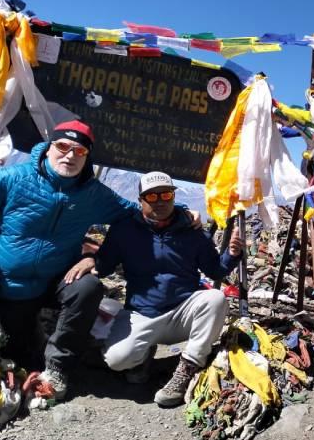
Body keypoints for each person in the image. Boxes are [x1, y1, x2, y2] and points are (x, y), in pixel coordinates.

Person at [0, 121, 139, 400]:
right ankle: (37, 349)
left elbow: (135, 215)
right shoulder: (13, 177)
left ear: (87, 157)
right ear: (49, 147)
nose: (70, 155)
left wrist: (97, 259)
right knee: (19, 356)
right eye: (63, 146)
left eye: (79, 151)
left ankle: (58, 367)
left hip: (56, 280)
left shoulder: (93, 194)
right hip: (8, 288)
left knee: (88, 288)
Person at [71, 171, 242, 407]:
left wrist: (232, 255)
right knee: (117, 359)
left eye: (166, 194)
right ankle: (142, 358)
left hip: (183, 313)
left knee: (215, 299)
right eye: (152, 197)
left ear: (173, 196)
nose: (160, 201)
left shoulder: (193, 233)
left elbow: (215, 271)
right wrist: (90, 258)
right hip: (141, 314)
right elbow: (105, 265)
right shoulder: (124, 231)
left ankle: (187, 369)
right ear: (140, 200)